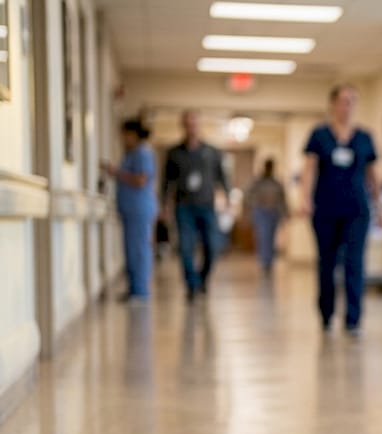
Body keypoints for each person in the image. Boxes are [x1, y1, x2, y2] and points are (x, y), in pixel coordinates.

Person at [300, 84, 379, 336]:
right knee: (327, 263)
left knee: (355, 263)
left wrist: (380, 205)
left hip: (356, 210)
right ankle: (326, 315)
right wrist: (305, 198)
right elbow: (309, 169)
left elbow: (372, 175)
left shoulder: (364, 137)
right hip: (326, 209)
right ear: (333, 104)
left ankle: (353, 319)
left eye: (352, 101)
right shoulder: (319, 135)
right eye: (344, 101)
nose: (348, 106)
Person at [162, 110, 230, 302]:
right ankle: (192, 285)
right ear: (183, 126)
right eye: (188, 124)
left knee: (212, 246)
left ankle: (202, 279)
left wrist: (228, 199)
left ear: (199, 125)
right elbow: (166, 182)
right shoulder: (174, 153)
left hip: (207, 205)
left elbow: (222, 177)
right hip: (184, 206)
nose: (191, 127)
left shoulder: (212, 152)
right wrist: (165, 205)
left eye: (194, 123)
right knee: (185, 247)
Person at [101, 117, 158, 302]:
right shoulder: (131, 154)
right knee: (131, 249)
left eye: (125, 135)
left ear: (133, 134)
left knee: (139, 250)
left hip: (139, 209)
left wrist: (116, 172)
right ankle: (135, 288)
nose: (122, 139)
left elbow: (141, 180)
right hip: (131, 209)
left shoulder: (142, 153)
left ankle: (140, 290)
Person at [246, 158, 289, 274]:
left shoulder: (276, 183)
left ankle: (269, 262)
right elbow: (248, 196)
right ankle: (264, 262)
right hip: (261, 212)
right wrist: (254, 207)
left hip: (273, 212)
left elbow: (282, 199)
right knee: (263, 237)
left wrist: (285, 214)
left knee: (270, 238)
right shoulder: (258, 182)